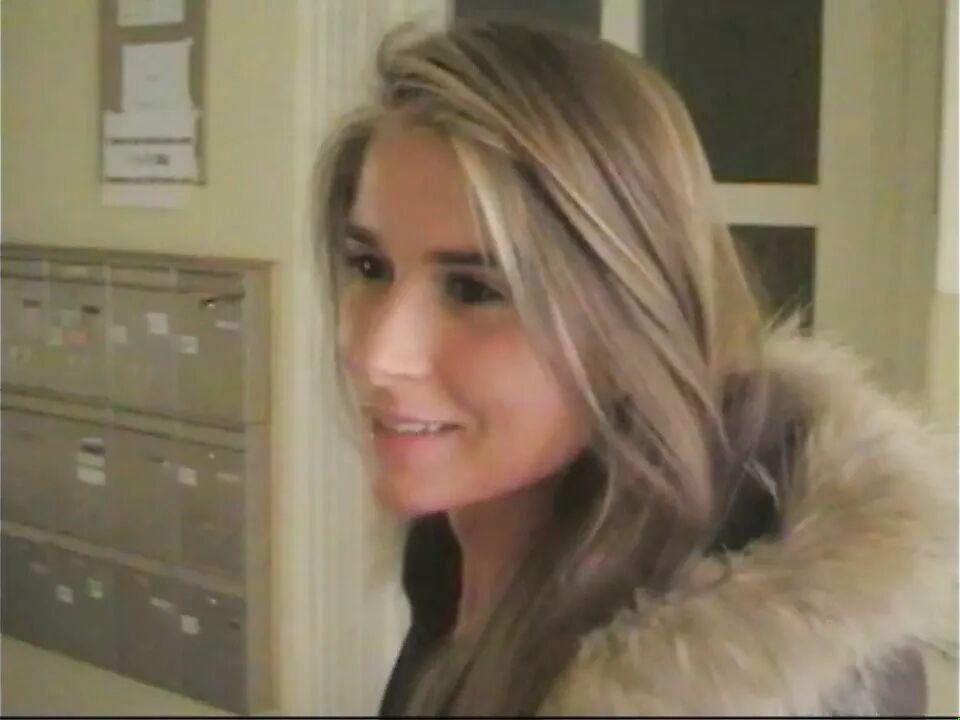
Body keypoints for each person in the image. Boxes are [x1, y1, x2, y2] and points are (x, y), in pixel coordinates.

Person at [313, 19, 955, 717]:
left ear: (635, 317)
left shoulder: (790, 690)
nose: (377, 356)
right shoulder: (459, 539)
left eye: (475, 289)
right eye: (369, 267)